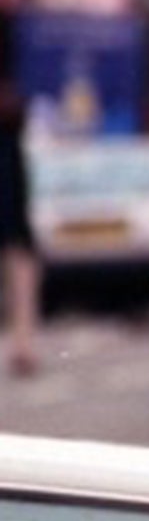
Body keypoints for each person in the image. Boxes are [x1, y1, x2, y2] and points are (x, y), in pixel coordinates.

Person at [0, 90, 38, 378]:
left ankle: (22, 350)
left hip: (15, 234)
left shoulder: (14, 149)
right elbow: (20, 197)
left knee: (20, 298)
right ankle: (22, 350)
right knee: (22, 299)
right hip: (17, 235)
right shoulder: (14, 149)